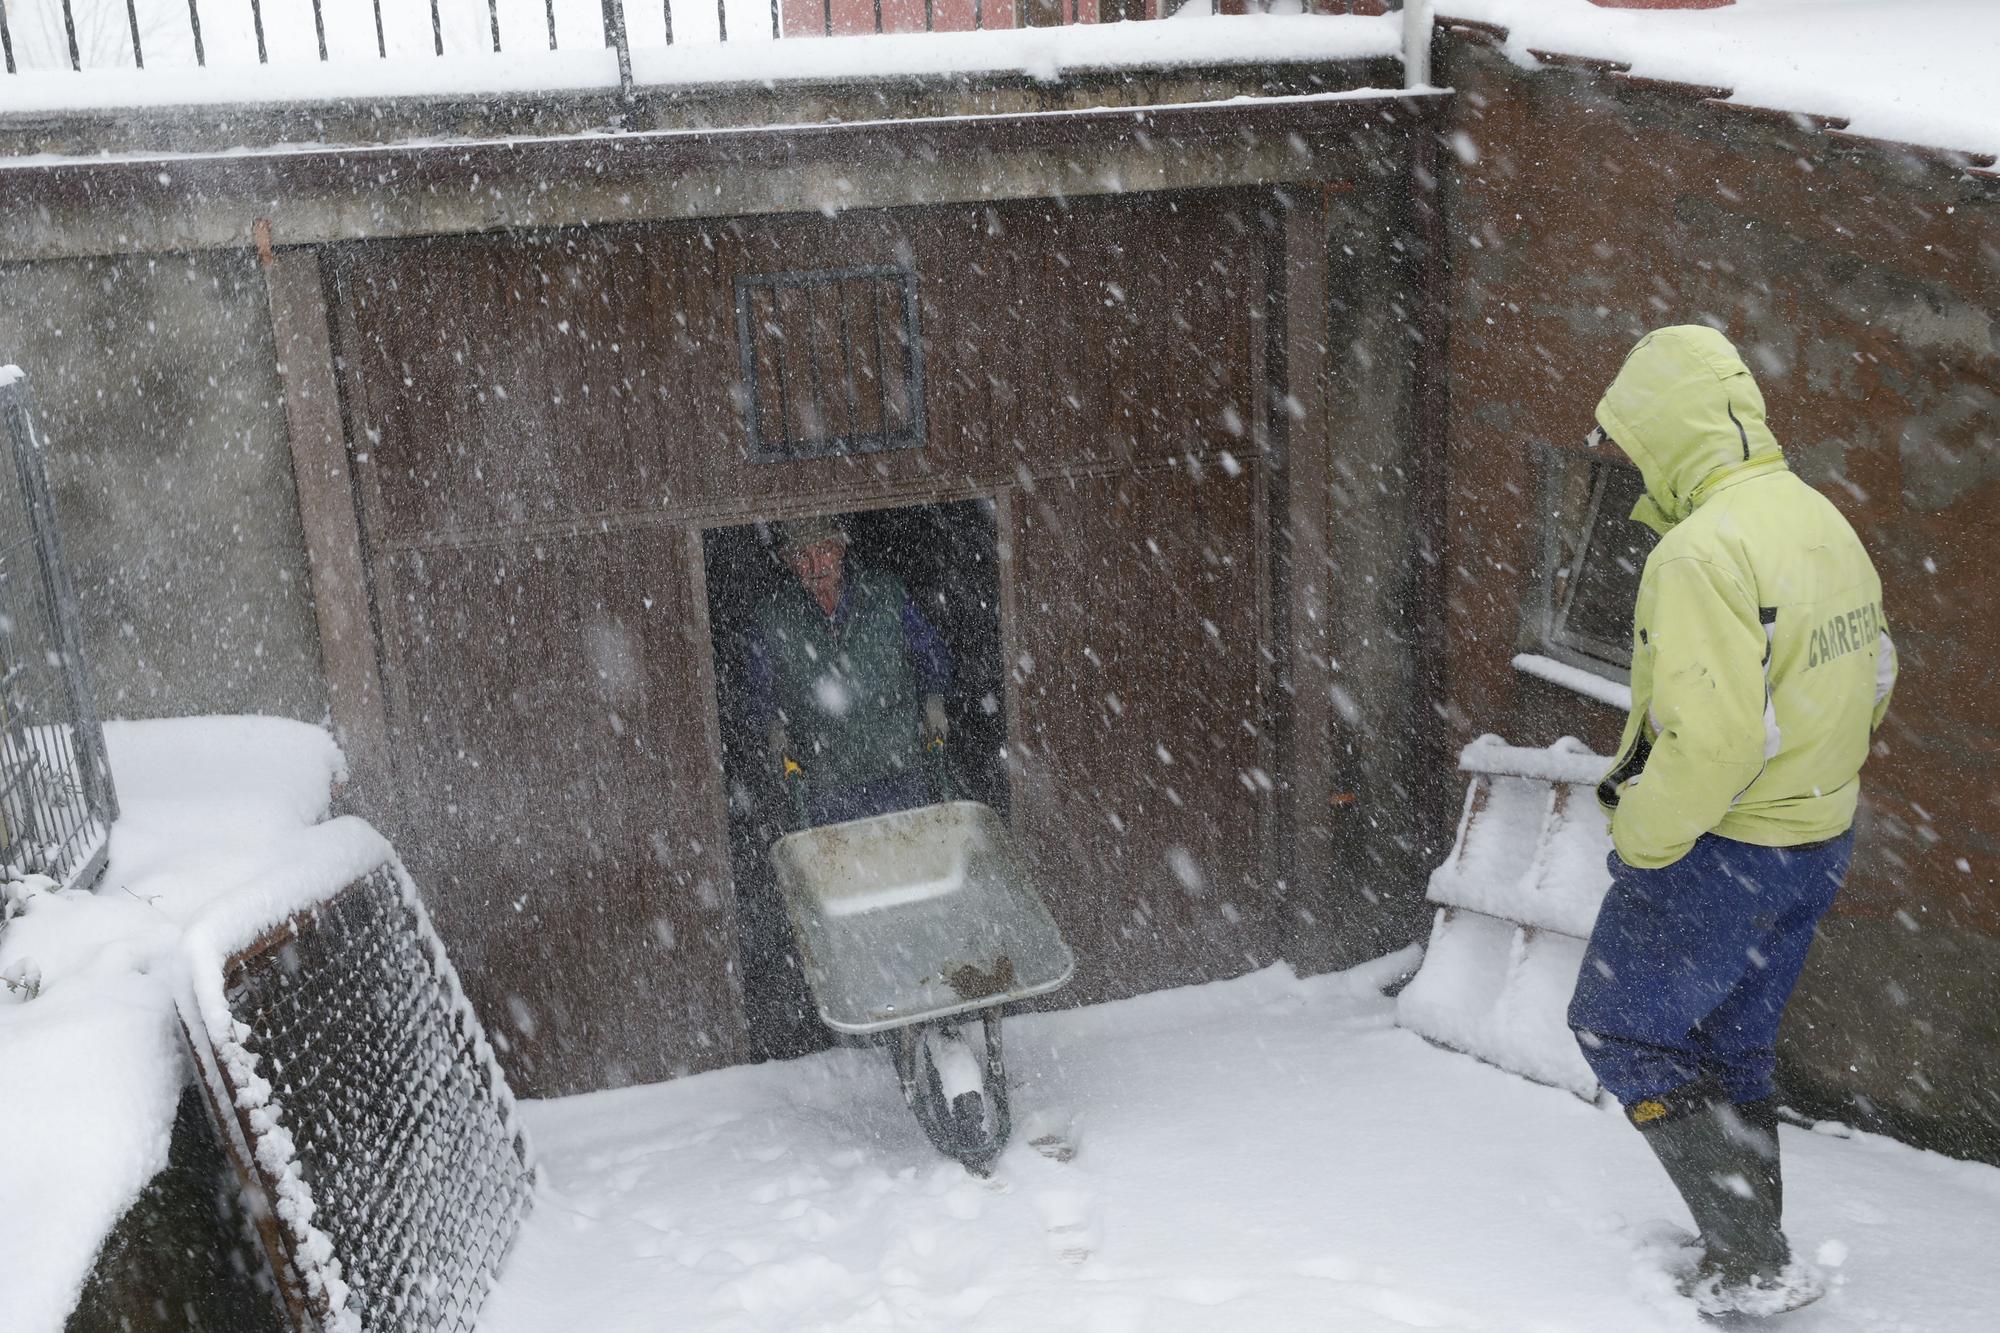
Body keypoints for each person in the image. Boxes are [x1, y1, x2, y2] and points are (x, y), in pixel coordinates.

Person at [1565, 326, 1897, 1316]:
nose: (1625, 463)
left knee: (1619, 1026)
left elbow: (1712, 744)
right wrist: (1814, 777)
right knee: (1729, 1043)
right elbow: (1875, 671)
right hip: (1812, 840)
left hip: (1721, 849)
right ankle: (1748, 1241)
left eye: (1630, 440)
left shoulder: (1699, 553)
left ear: (1666, 432)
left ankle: (1750, 1259)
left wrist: (1642, 840)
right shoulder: (1812, 517)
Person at [748, 515, 953, 829]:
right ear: (789, 562)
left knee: (912, 861)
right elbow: (759, 689)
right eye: (804, 556)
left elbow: (932, 654)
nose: (817, 567)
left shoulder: (886, 595)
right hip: (827, 783)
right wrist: (773, 727)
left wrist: (934, 702)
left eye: (825, 550)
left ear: (841, 549)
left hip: (898, 770)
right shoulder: (775, 618)